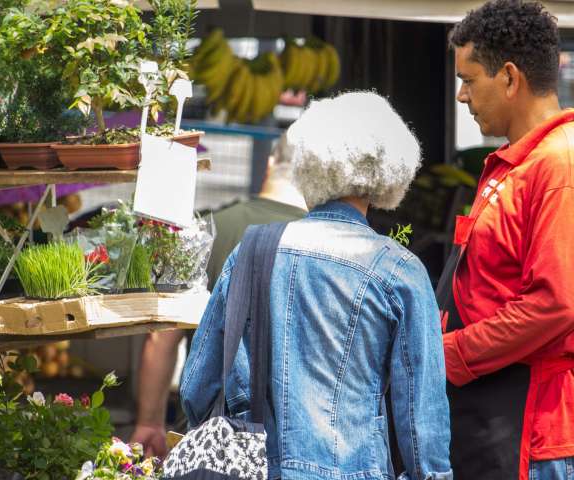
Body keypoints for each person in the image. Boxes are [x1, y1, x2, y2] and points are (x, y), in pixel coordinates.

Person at [180, 91, 452, 480]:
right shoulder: (399, 271)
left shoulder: (252, 250)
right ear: (387, 173)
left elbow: (196, 386)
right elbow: (421, 423)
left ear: (308, 164)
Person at [439, 1, 574, 479]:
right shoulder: (519, 162)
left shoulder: (559, 165)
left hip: (531, 432)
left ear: (511, 78)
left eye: (469, 80)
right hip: (494, 419)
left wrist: (448, 355)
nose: (461, 95)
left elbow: (555, 304)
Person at [129, 134, 307, 457]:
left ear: (269, 163)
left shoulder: (212, 229)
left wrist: (150, 422)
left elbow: (162, 338)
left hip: (210, 442)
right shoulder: (324, 244)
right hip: (295, 445)